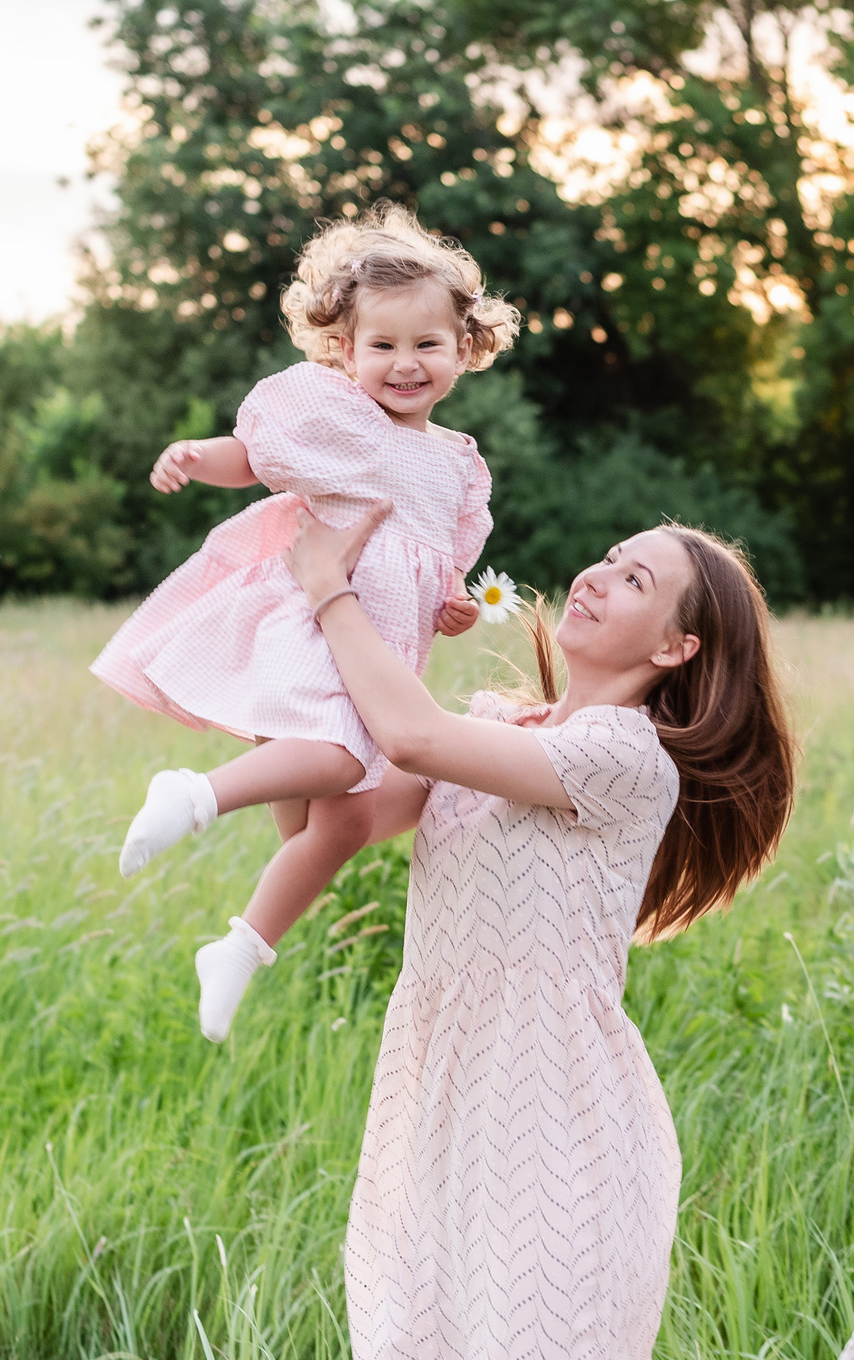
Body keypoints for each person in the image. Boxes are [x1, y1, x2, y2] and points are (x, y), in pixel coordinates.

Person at [281, 500, 797, 1360]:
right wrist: (370, 623)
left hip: (560, 1134)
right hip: (437, 1123)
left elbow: (407, 731)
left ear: (676, 648)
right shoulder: (502, 723)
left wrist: (330, 587)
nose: (600, 578)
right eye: (609, 560)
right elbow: (349, 802)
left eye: (636, 579)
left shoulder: (625, 759)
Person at [91, 204, 520, 1040]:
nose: (404, 364)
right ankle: (195, 795)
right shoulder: (340, 422)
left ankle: (242, 948)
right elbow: (255, 458)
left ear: (464, 349)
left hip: (381, 657)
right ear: (344, 351)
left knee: (344, 822)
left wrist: (456, 608)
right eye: (382, 346)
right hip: (311, 633)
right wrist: (196, 457)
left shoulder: (461, 468)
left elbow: (438, 572)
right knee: (335, 760)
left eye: (426, 345)